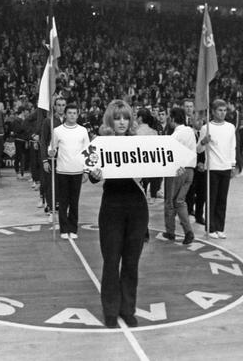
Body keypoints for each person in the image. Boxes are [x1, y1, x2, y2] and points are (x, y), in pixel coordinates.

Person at [88, 99, 149, 329]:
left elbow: (153, 171)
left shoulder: (140, 143)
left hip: (137, 206)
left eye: (126, 117)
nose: (122, 122)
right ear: (110, 120)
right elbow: (93, 177)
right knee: (111, 261)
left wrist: (173, 167)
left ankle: (128, 309)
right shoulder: (100, 143)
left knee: (131, 262)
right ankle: (111, 310)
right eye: (117, 117)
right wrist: (94, 172)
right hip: (112, 206)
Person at [48, 103, 90, 239]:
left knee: (74, 202)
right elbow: (51, 149)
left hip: (77, 171)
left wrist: (86, 171)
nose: (72, 115)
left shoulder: (83, 131)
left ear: (78, 115)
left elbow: (88, 151)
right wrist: (51, 152)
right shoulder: (58, 131)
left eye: (74, 113)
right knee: (63, 201)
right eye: (70, 113)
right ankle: (63, 229)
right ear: (65, 115)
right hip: (62, 171)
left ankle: (73, 228)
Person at [197, 99, 236, 239]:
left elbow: (233, 147)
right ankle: (210, 227)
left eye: (225, 110)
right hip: (212, 168)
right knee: (211, 199)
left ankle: (220, 227)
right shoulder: (206, 128)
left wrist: (233, 165)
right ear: (213, 111)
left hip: (226, 167)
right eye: (220, 110)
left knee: (222, 200)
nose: (223, 113)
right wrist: (203, 141)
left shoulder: (231, 127)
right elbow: (198, 149)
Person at [162, 107, 196, 244]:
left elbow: (168, 152)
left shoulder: (175, 135)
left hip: (177, 170)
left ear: (173, 118)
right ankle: (188, 231)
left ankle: (170, 232)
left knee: (170, 202)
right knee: (180, 201)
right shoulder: (190, 132)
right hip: (190, 171)